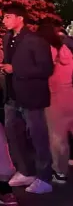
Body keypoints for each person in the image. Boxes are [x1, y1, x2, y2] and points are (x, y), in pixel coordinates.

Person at [0, 3, 54, 195]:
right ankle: (26, 170)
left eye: (7, 17)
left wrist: (16, 70)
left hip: (31, 97)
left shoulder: (34, 40)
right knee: (14, 135)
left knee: (38, 138)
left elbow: (46, 69)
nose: (4, 21)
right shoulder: (7, 39)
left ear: (19, 18)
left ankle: (45, 177)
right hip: (12, 96)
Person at [37, 21, 73, 184]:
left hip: (54, 96)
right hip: (70, 93)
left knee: (58, 137)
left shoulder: (47, 50)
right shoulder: (66, 50)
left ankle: (60, 171)